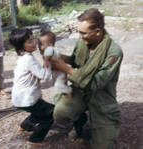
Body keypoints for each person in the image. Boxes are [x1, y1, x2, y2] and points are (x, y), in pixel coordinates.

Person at [51, 8, 123, 149]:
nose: (80, 36)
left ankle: (106, 126)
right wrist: (58, 58)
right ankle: (80, 120)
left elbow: (96, 83)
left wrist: (65, 68)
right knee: (60, 113)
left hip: (101, 97)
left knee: (103, 146)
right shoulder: (83, 43)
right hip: (81, 90)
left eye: (83, 33)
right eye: (79, 32)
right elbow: (75, 60)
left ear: (98, 31)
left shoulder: (114, 52)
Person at [9, 28, 54, 146]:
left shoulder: (24, 57)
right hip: (27, 99)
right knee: (50, 114)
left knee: (39, 111)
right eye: (29, 41)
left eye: (33, 38)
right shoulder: (29, 59)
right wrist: (47, 62)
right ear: (21, 46)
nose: (34, 42)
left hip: (20, 98)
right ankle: (35, 139)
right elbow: (44, 76)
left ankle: (24, 126)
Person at [38, 31, 72, 98]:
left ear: (50, 44)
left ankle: (69, 94)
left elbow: (48, 55)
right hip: (58, 71)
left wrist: (46, 61)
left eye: (41, 44)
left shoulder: (50, 49)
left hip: (60, 72)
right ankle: (66, 95)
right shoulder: (53, 49)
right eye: (39, 44)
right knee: (61, 84)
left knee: (59, 85)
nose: (39, 46)